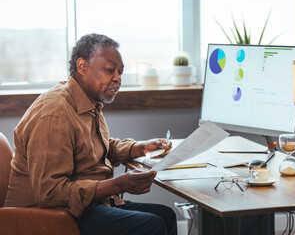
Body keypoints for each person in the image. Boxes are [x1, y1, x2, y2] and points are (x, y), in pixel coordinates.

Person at [5, 33, 177, 235]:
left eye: (120, 72)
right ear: (82, 66)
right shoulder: (54, 114)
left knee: (166, 216)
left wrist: (139, 147)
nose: (118, 79)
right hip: (52, 216)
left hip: (85, 206)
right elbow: (50, 194)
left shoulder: (87, 101)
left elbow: (94, 148)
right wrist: (117, 184)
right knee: (152, 225)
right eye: (110, 70)